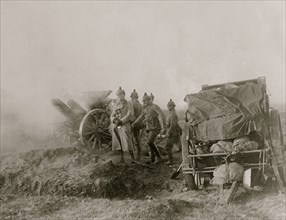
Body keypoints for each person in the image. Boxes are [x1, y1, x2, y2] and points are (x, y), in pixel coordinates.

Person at [132, 93, 166, 164]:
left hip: (156, 128)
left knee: (149, 142)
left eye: (145, 101)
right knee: (150, 143)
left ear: (149, 100)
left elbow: (161, 115)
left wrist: (163, 127)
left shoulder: (155, 107)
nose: (143, 103)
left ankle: (157, 158)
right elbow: (141, 117)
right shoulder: (146, 109)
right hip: (150, 128)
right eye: (143, 101)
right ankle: (153, 159)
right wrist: (134, 123)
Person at [111, 87, 135, 163]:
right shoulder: (116, 104)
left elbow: (130, 114)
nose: (119, 97)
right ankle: (122, 158)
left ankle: (132, 158)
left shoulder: (129, 104)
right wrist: (114, 119)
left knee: (127, 138)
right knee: (117, 138)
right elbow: (112, 115)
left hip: (125, 123)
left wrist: (121, 121)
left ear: (124, 95)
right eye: (118, 95)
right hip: (117, 124)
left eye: (121, 95)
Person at [164, 99, 182, 165]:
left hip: (173, 133)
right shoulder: (171, 113)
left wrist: (168, 132)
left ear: (172, 106)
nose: (168, 107)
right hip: (174, 132)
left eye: (169, 106)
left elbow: (173, 125)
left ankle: (171, 161)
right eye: (168, 106)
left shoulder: (173, 114)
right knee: (178, 147)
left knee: (167, 147)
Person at [130, 89, 143, 161]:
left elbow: (133, 115)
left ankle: (138, 155)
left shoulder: (134, 104)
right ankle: (138, 154)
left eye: (132, 97)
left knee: (136, 139)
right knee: (136, 138)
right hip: (138, 123)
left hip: (134, 123)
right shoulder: (140, 104)